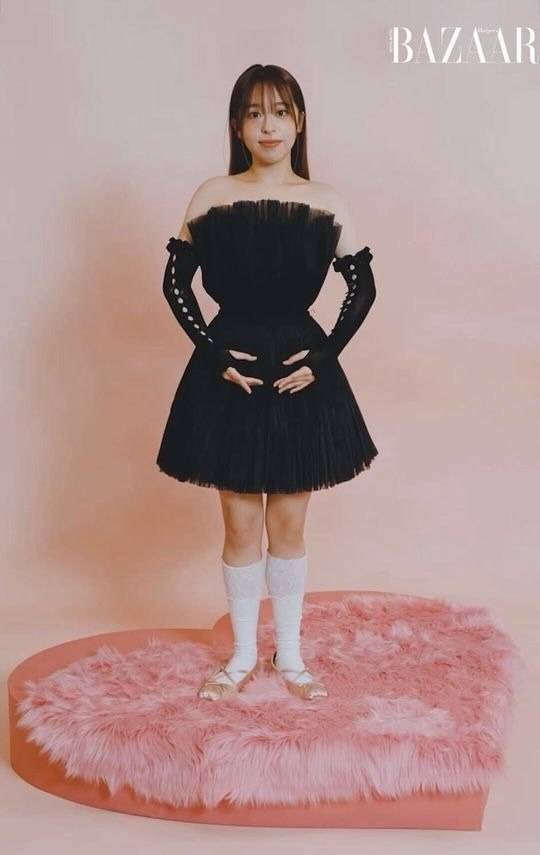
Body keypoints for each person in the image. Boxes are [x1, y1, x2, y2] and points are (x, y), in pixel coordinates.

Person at [156, 64, 378, 701]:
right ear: (237, 126)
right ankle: (242, 656)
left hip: (300, 376)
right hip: (230, 375)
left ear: (299, 121)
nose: (268, 125)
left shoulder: (326, 200)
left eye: (280, 111)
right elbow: (175, 283)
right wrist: (212, 353)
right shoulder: (211, 195)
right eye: (254, 114)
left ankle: (292, 655)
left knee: (288, 524)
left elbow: (362, 289)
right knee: (237, 523)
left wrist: (322, 358)